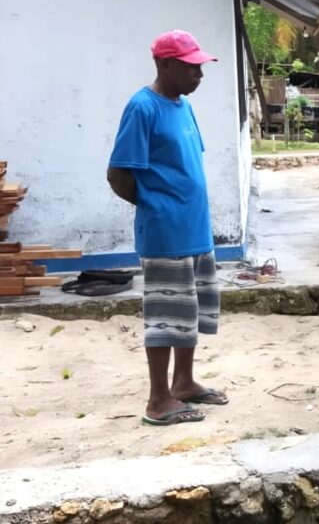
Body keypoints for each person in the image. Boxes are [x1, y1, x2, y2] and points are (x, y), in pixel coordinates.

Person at [107, 30, 226, 426]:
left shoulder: (183, 105)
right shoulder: (143, 107)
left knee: (188, 311)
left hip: (196, 231)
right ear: (164, 64)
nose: (199, 75)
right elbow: (118, 175)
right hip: (166, 234)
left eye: (200, 67)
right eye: (191, 68)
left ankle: (184, 383)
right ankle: (158, 400)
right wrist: (156, 206)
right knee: (165, 316)